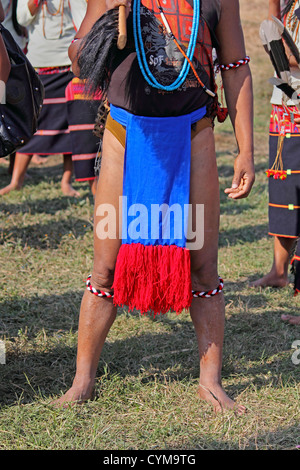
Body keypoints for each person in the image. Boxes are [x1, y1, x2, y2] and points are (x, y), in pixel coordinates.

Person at [55, 0, 254, 414]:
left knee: (203, 265)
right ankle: (82, 380)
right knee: (105, 267)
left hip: (194, 132)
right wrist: (110, 17)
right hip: (125, 134)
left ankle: (210, 381)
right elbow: (76, 63)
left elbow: (235, 66)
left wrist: (246, 150)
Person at [0, 0, 96, 197]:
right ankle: (16, 180)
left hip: (66, 63)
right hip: (38, 62)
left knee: (69, 129)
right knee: (31, 124)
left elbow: (83, 18)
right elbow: (22, 19)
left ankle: (66, 181)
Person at [251, 0, 300, 291]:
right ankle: (279, 271)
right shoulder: (290, 4)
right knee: (283, 191)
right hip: (285, 106)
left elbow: (285, 56)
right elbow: (272, 43)